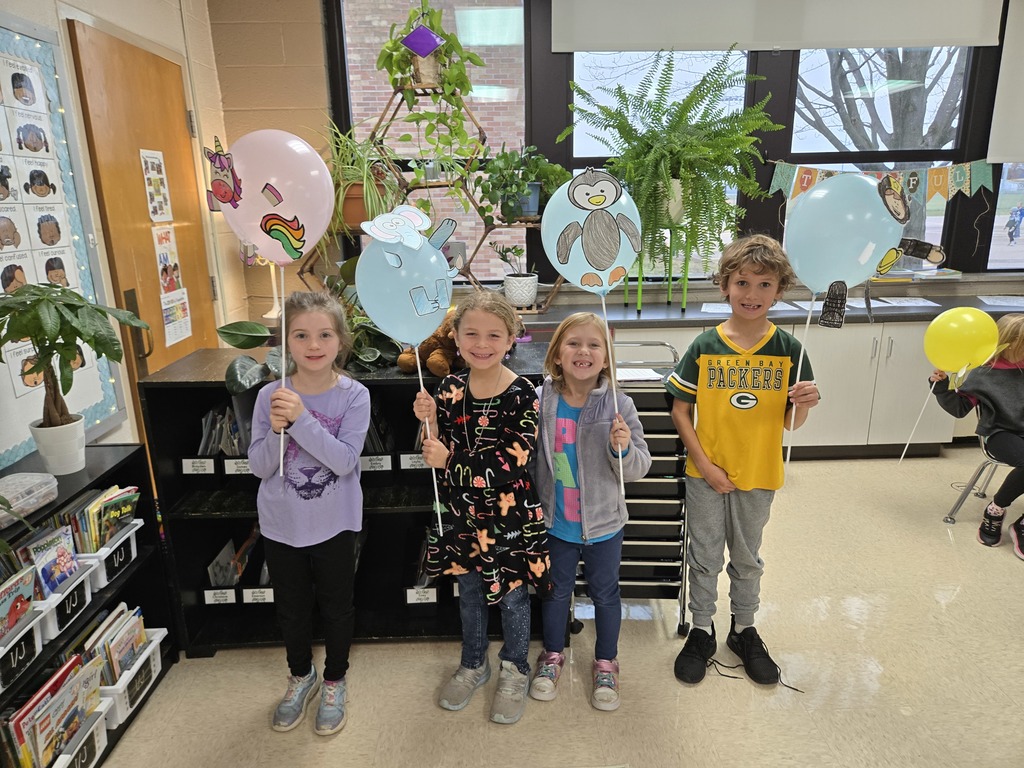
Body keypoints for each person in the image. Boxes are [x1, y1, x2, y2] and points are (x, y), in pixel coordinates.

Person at [666, 234, 820, 686]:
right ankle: (701, 630)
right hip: (704, 473)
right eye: (742, 283)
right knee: (704, 555)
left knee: (748, 558)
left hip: (759, 474)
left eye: (764, 285)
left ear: (779, 289)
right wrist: (706, 465)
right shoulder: (705, 346)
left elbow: (792, 424)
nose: (752, 294)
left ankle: (744, 628)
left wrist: (806, 402)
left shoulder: (790, 349)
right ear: (725, 286)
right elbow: (680, 409)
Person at [412, 290, 550, 725]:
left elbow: (512, 461)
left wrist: (449, 459)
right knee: (469, 593)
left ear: (511, 339)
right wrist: (429, 421)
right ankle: (474, 663)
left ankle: (515, 667)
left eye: (494, 334)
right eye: (471, 333)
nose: (482, 342)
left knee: (512, 598)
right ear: (454, 336)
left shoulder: (524, 392)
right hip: (462, 515)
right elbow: (437, 448)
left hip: (509, 518)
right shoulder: (449, 387)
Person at [248, 291, 370, 736]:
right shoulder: (269, 396)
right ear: (286, 342)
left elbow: (343, 460)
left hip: (335, 523)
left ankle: (335, 679)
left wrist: (301, 420)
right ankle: (302, 676)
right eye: (300, 335)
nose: (313, 345)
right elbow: (260, 467)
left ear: (341, 341)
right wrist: (277, 427)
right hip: (283, 525)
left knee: (338, 608)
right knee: (292, 610)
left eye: (324, 334)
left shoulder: (355, 396)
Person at [529, 312, 651, 711]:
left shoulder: (620, 404)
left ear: (606, 357)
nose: (583, 351)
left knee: (605, 594)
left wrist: (623, 449)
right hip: (557, 524)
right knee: (555, 593)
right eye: (574, 343)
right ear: (557, 354)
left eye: (594, 345)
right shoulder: (541, 399)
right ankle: (551, 655)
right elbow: (530, 463)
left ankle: (605, 661)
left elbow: (638, 468)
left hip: (604, 525)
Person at [930, 313, 1024, 557]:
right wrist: (941, 386)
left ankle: (1021, 524)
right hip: (1000, 432)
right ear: (1011, 345)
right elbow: (960, 409)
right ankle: (995, 509)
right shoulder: (985, 373)